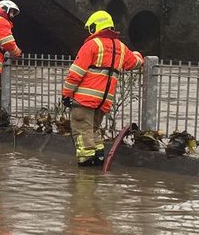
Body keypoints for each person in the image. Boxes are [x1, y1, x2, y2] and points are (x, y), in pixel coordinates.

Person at [61, 11, 144, 166]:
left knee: (82, 132)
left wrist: (66, 94)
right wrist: (138, 55)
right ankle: (99, 160)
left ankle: (86, 172)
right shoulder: (121, 47)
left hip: (84, 100)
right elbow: (135, 63)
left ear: (95, 27)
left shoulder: (92, 45)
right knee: (93, 130)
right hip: (104, 102)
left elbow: (75, 74)